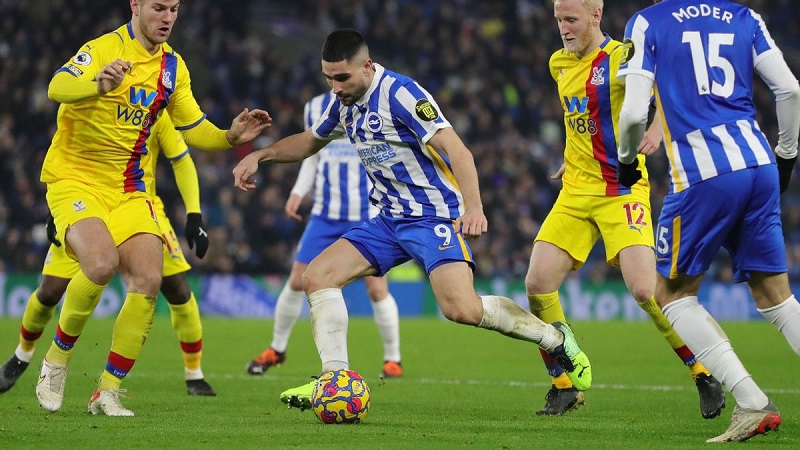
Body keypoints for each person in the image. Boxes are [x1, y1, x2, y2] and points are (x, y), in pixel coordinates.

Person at [232, 28, 592, 410]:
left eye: (342, 78)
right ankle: (333, 379)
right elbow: (309, 141)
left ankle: (553, 338)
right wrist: (261, 155)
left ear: (367, 67)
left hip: (431, 216)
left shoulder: (402, 94)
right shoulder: (344, 103)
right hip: (387, 220)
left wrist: (474, 207)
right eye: (328, 78)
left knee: (461, 309)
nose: (334, 87)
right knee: (316, 277)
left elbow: (457, 150)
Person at [36, 0, 270, 416]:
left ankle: (106, 391)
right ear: (136, 5)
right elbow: (57, 87)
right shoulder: (104, 48)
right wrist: (97, 84)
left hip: (128, 189)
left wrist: (230, 136)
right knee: (101, 264)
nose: (167, 18)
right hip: (76, 178)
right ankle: (55, 363)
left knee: (148, 277)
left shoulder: (173, 68)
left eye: (174, 9)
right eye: (159, 8)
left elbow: (194, 127)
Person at [524, 0, 725, 417]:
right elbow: (578, 119)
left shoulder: (622, 56)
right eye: (559, 19)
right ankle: (564, 384)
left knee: (644, 290)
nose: (563, 27)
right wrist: (570, 156)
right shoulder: (557, 63)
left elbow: (670, 93)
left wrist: (653, 129)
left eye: (571, 19)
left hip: (622, 189)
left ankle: (703, 371)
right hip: (576, 190)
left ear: (596, 16)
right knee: (537, 284)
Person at [616, 0, 800, 443]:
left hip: (703, 175)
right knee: (777, 297)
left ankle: (752, 402)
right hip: (757, 164)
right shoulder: (743, 16)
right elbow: (791, 90)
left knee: (672, 295)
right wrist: (788, 156)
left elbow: (634, 112)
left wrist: (625, 160)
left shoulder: (648, 21)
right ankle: (753, 403)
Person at [0, 113, 217, 397]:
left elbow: (181, 159)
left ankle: (194, 374)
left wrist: (194, 214)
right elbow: (65, 150)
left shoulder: (155, 107)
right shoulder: (95, 103)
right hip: (88, 203)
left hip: (140, 206)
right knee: (49, 291)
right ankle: (22, 355)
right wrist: (57, 207)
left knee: (175, 287)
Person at [246, 91, 403, 379]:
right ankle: (276, 349)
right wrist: (297, 192)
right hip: (325, 215)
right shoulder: (315, 107)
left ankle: (393, 359)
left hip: (365, 213)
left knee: (377, 288)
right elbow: (311, 153)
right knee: (296, 280)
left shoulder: (374, 102)